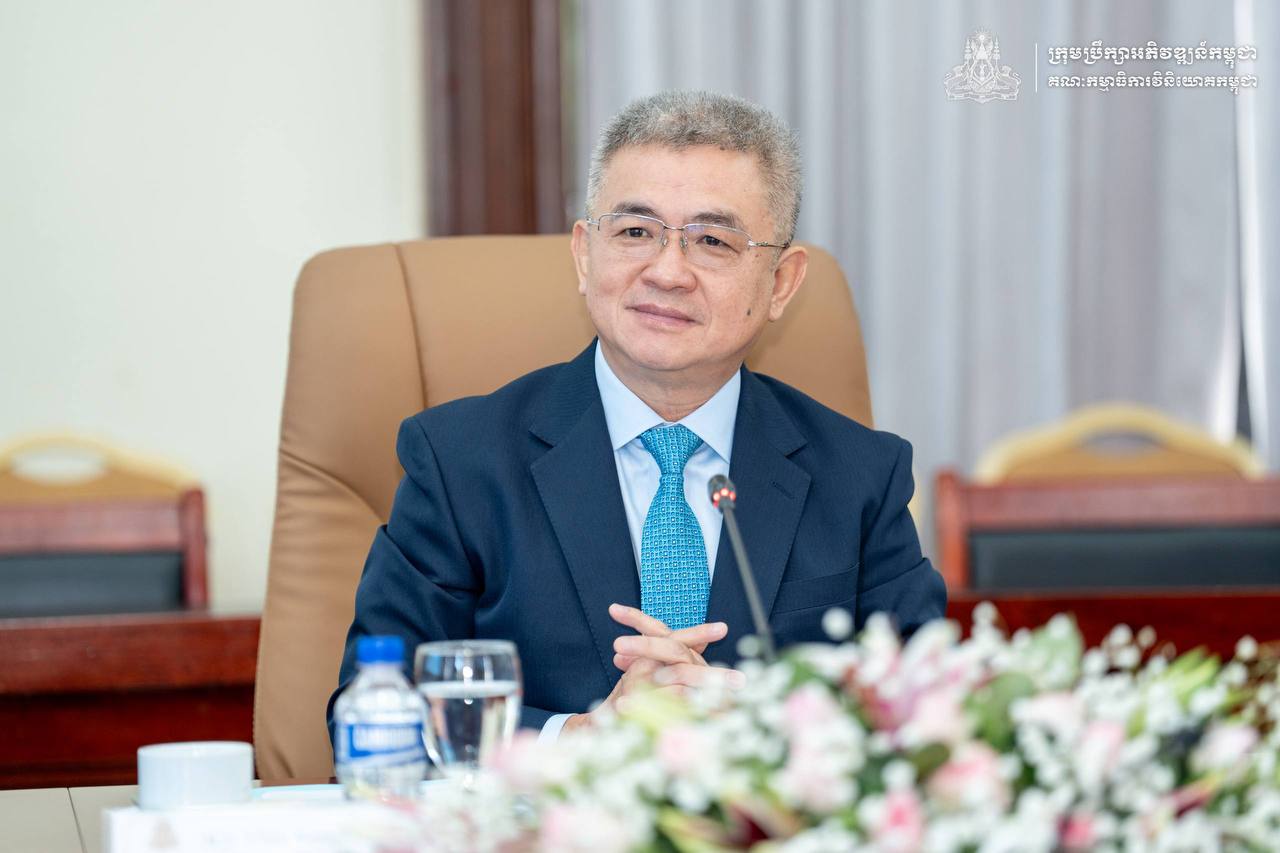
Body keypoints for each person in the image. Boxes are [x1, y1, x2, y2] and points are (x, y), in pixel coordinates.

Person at [329, 91, 946, 742]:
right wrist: (578, 739)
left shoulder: (860, 475)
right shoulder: (459, 462)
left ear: (781, 283)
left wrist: (769, 731)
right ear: (584, 254)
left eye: (712, 240)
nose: (668, 272)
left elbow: (935, 717)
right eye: (634, 232)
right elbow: (371, 714)